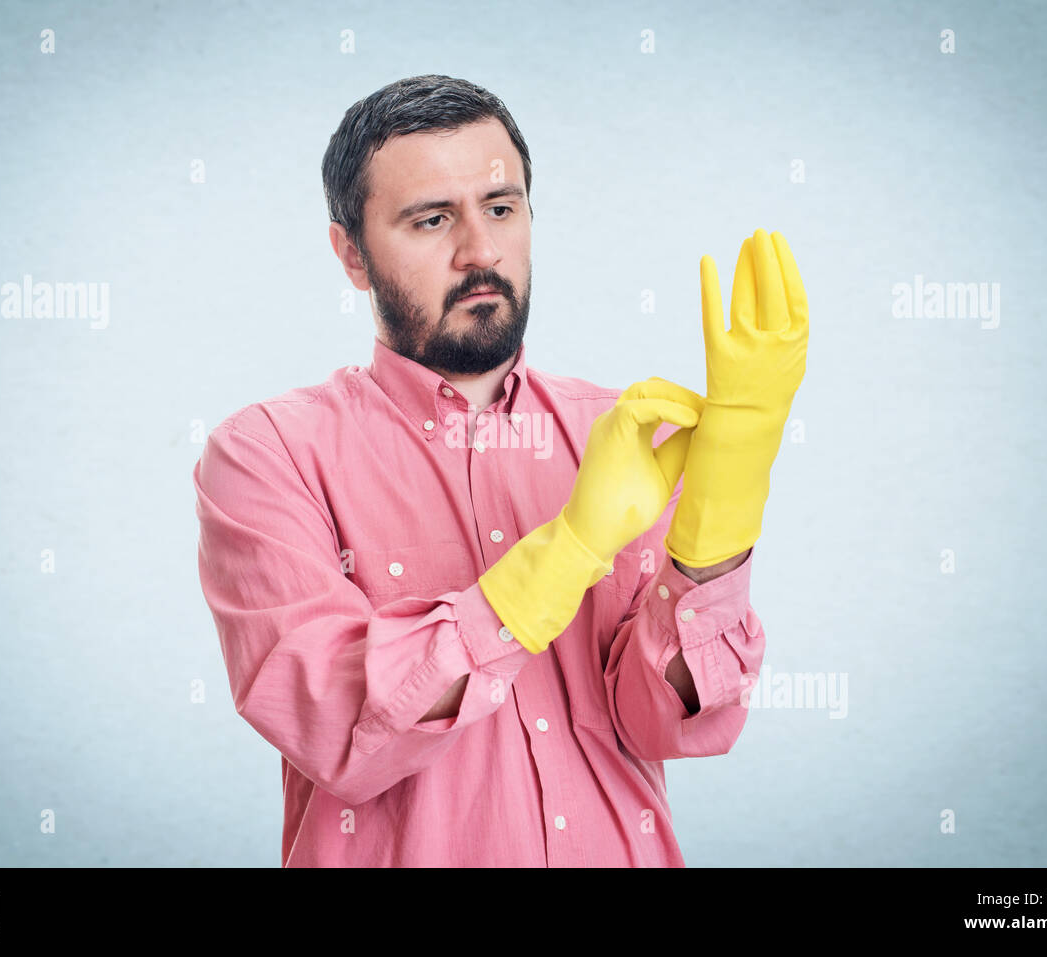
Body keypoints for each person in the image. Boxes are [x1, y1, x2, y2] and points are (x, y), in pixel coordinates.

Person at [192, 74, 808, 866]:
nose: (480, 250)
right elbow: (342, 724)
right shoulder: (265, 455)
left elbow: (668, 722)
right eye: (431, 218)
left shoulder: (619, 433)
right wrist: (570, 549)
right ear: (351, 253)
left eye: (501, 207)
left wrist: (729, 492)